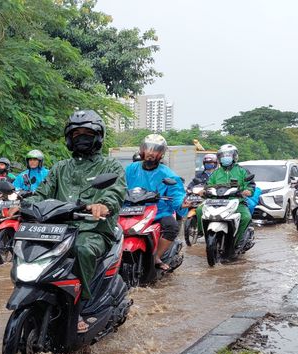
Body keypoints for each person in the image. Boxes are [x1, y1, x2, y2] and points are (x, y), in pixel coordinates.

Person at [24, 110, 126, 332]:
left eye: (87, 133)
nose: (82, 137)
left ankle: (81, 305)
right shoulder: (60, 167)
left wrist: (103, 205)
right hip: (58, 231)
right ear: (70, 138)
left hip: (94, 229)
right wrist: (23, 205)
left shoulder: (111, 167)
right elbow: (41, 193)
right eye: (77, 133)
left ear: (98, 137)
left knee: (81, 249)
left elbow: (115, 191)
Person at [125, 134, 186, 271]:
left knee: (172, 226)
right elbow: (119, 186)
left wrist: (182, 203)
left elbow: (176, 193)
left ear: (161, 153)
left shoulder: (168, 173)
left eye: (156, 150)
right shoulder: (130, 169)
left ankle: (157, 256)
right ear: (142, 150)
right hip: (131, 210)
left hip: (158, 211)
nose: (151, 153)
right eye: (148, 149)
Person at [197, 144, 255, 246]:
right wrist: (204, 191)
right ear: (219, 158)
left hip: (237, 201)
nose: (225, 158)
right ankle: (202, 232)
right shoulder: (215, 173)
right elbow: (208, 185)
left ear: (234, 157)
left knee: (246, 217)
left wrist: (248, 191)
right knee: (199, 210)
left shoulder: (242, 171)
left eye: (228, 155)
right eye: (223, 156)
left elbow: (250, 185)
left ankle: (238, 242)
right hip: (215, 201)